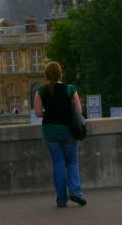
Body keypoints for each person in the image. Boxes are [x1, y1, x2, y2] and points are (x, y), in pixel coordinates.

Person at [33, 61, 86, 208]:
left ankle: (61, 199)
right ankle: (75, 192)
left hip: (49, 130)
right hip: (68, 130)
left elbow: (38, 113)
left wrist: (50, 111)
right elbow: (79, 111)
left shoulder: (40, 90)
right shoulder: (70, 89)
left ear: (46, 75)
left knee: (58, 163)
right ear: (60, 73)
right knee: (72, 162)